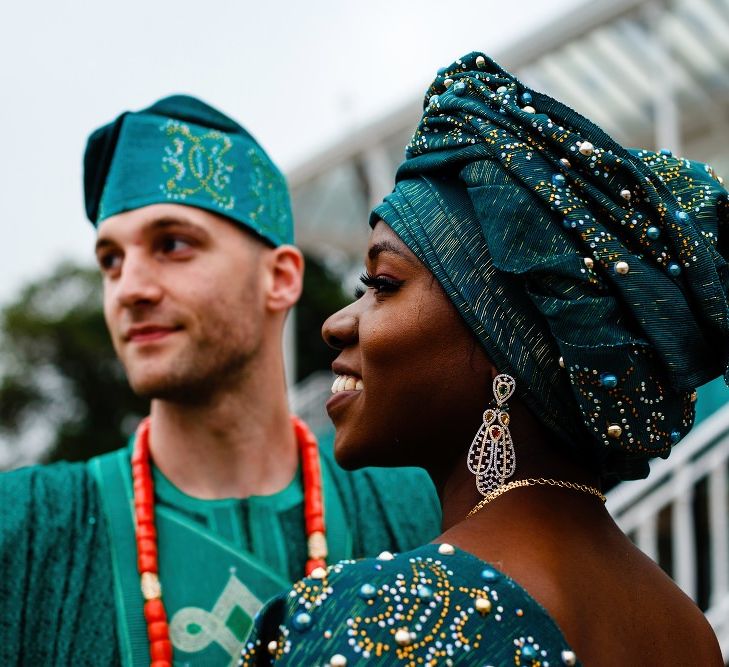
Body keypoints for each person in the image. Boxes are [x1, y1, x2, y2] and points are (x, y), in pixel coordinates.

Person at [239, 52, 727, 666]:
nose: (338, 324)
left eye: (383, 283)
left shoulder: (387, 617)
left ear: (509, 349)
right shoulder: (687, 633)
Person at [0, 95, 440, 667]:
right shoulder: (26, 529)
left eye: (172, 245)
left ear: (279, 278)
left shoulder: (418, 501)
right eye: (111, 259)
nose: (128, 288)